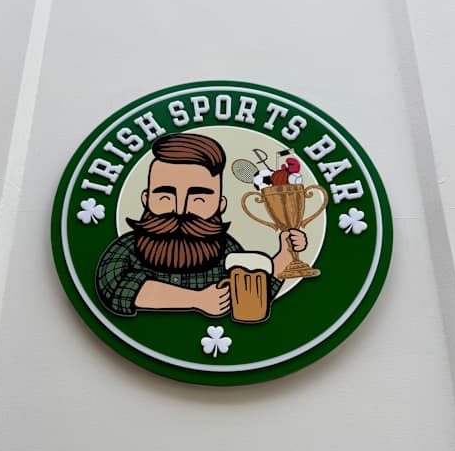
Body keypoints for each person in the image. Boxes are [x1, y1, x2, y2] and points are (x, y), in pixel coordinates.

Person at [96, 133, 307, 317]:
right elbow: (113, 285)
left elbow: (252, 296)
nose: (180, 210)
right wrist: (196, 300)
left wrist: (284, 258)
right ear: (146, 199)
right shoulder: (128, 247)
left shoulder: (228, 251)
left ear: (220, 204)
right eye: (165, 196)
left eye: (198, 199)